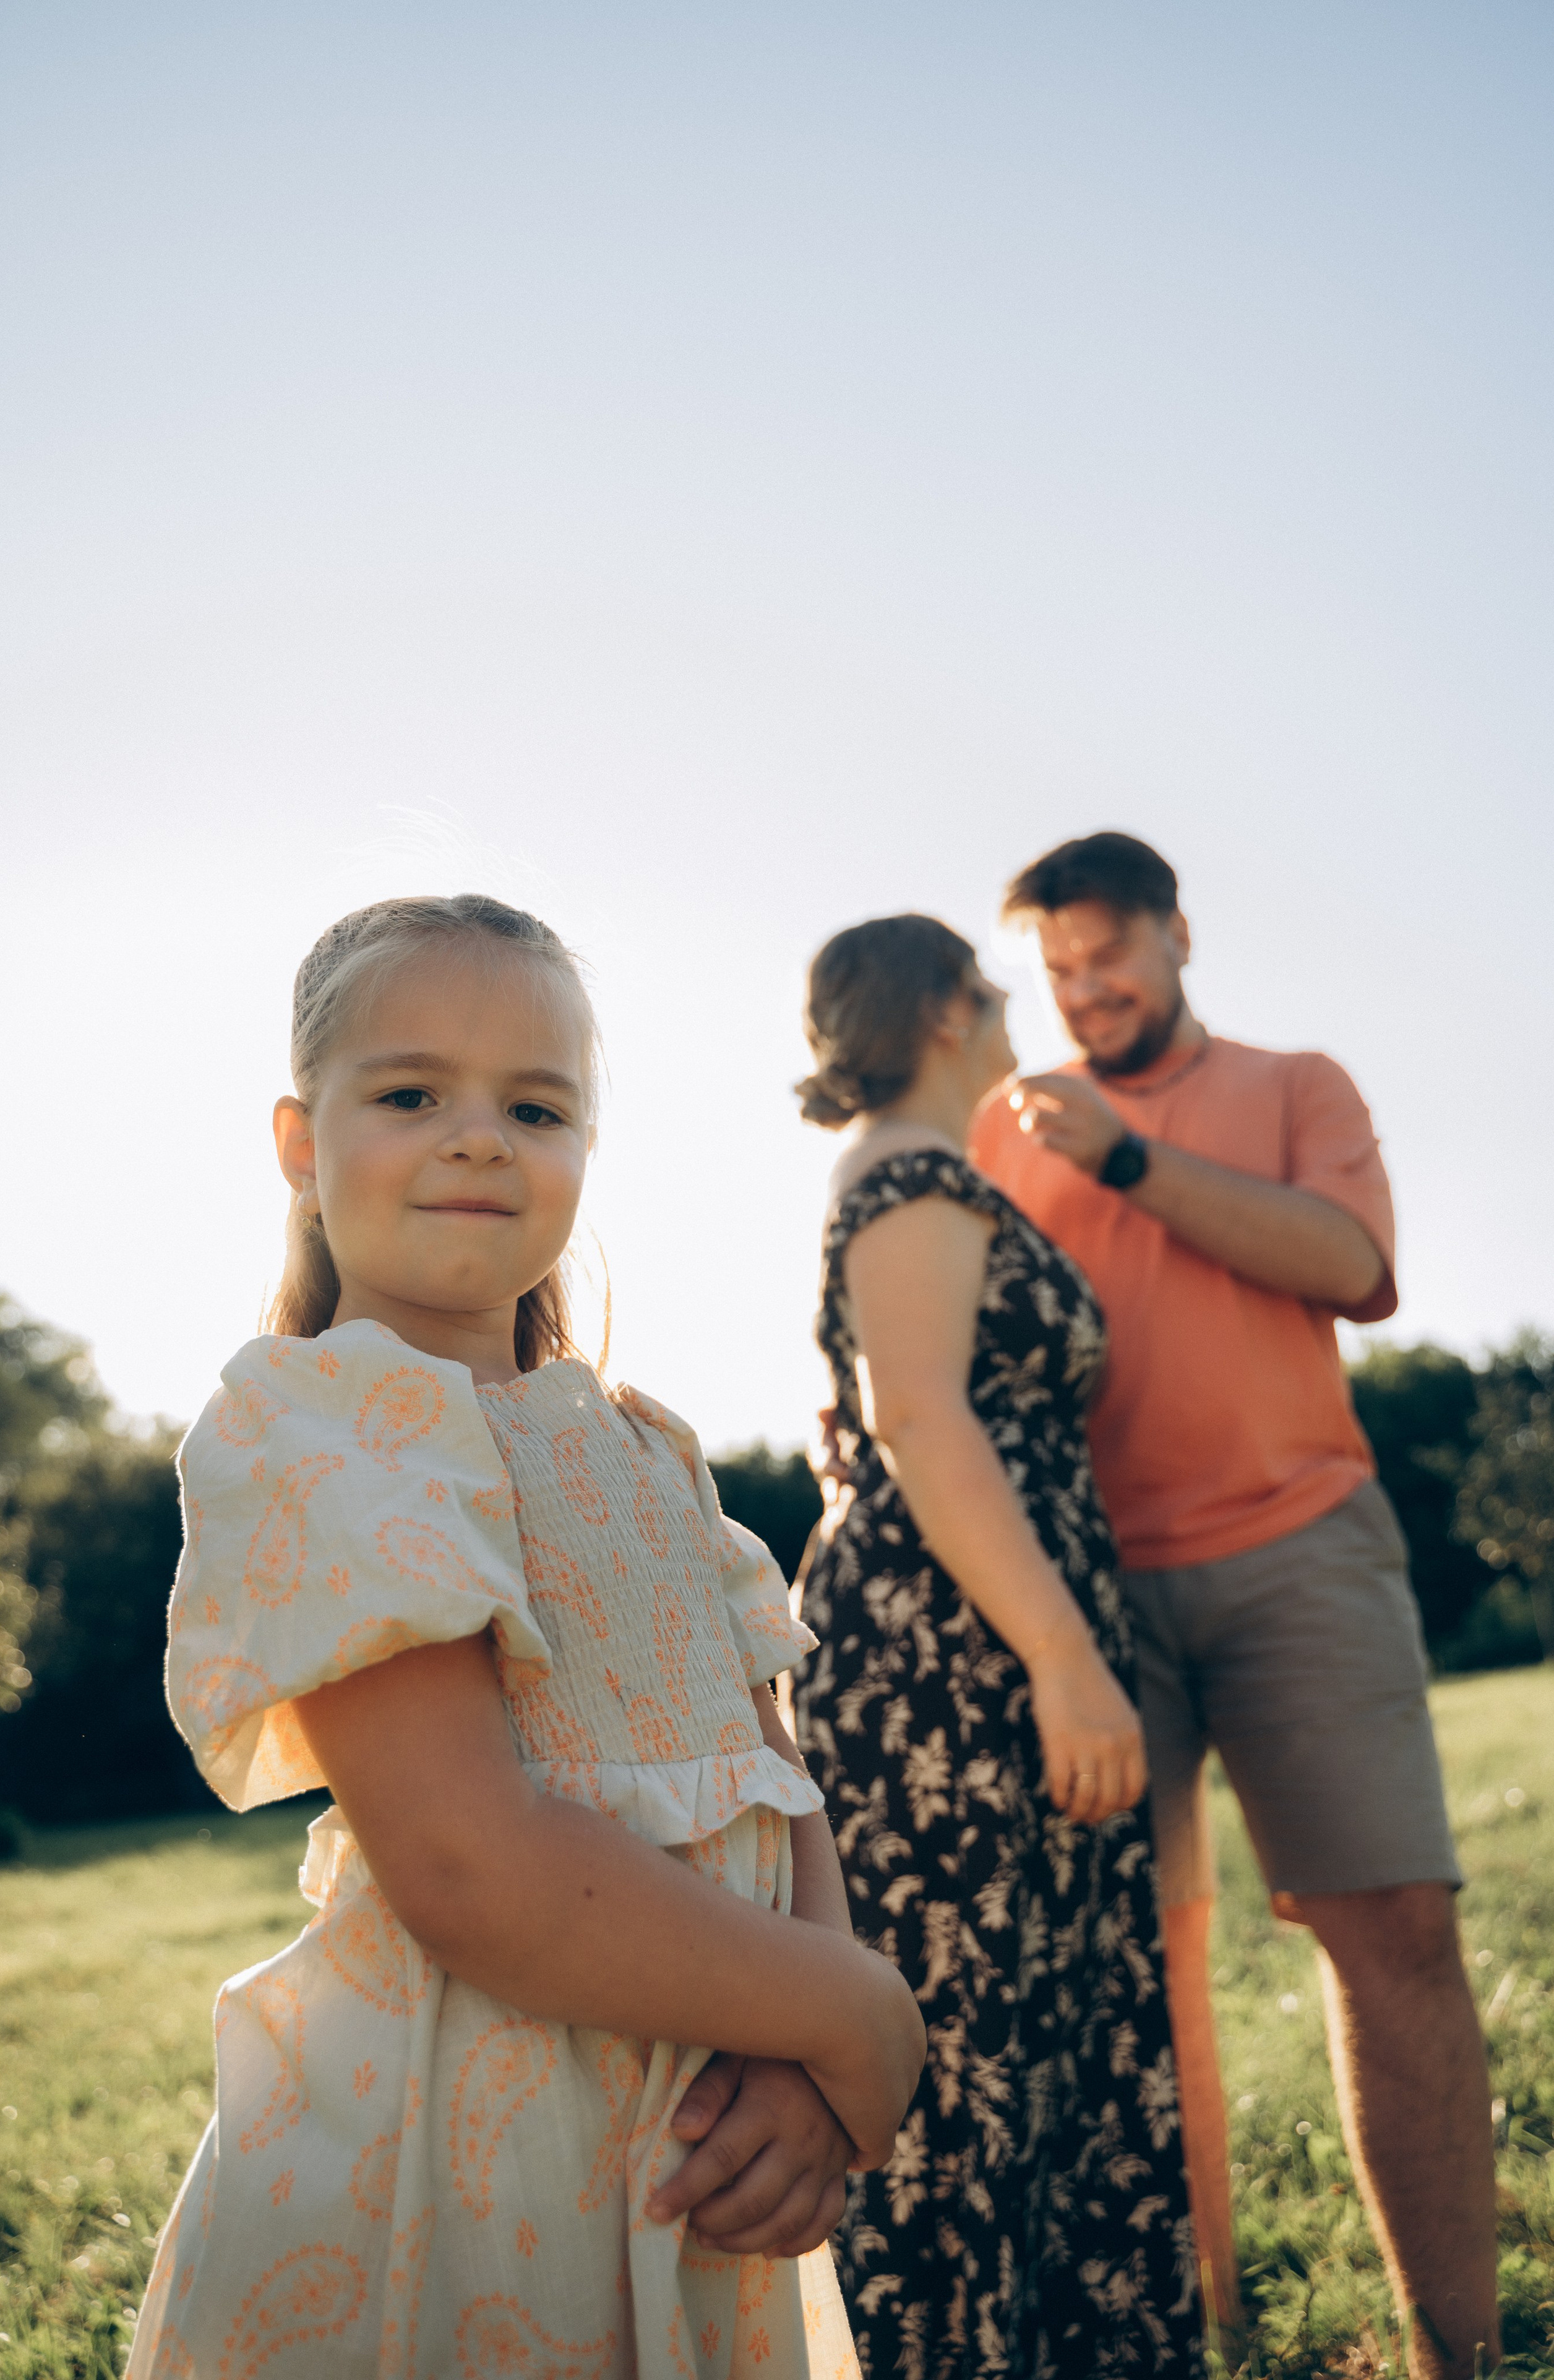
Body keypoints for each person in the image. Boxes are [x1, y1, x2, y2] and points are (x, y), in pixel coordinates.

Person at [127, 892, 926, 2380]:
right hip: (461, 2168)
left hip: (697, 2134)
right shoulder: (324, 1425)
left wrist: (809, 2063)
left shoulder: (647, 1448)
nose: (480, 1134)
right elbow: (472, 1869)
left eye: (535, 1104)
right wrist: (858, 2010)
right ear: (301, 1144)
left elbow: (774, 1771)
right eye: (412, 1091)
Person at [969, 833, 1498, 2378]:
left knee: (1391, 1926)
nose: (1084, 990)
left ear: (1177, 934)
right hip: (1085, 1598)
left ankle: (1453, 2355)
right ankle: (1201, 2334)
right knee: (1135, 1974)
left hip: (1299, 1549)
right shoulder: (1007, 1131)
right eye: (1056, 969)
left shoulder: (1293, 1087)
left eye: (1108, 954)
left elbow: (1351, 1263)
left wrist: (1124, 1159)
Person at [789, 914, 1205, 2380]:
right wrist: (1065, 1660)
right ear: (944, 1007)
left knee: (1023, 2053)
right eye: (990, 984)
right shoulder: (911, 1173)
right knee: (964, 2076)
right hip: (950, 1680)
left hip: (977, 1657)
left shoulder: (923, 1171)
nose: (1011, 1005)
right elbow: (918, 1418)